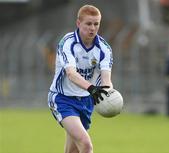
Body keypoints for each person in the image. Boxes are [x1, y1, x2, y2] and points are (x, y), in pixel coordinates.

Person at [48, 4, 113, 153]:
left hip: (86, 101)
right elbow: (71, 74)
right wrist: (91, 88)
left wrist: (108, 96)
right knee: (86, 144)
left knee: (72, 151)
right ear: (78, 23)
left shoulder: (104, 49)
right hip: (62, 99)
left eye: (96, 24)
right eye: (88, 23)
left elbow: (106, 80)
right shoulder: (68, 43)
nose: (92, 28)